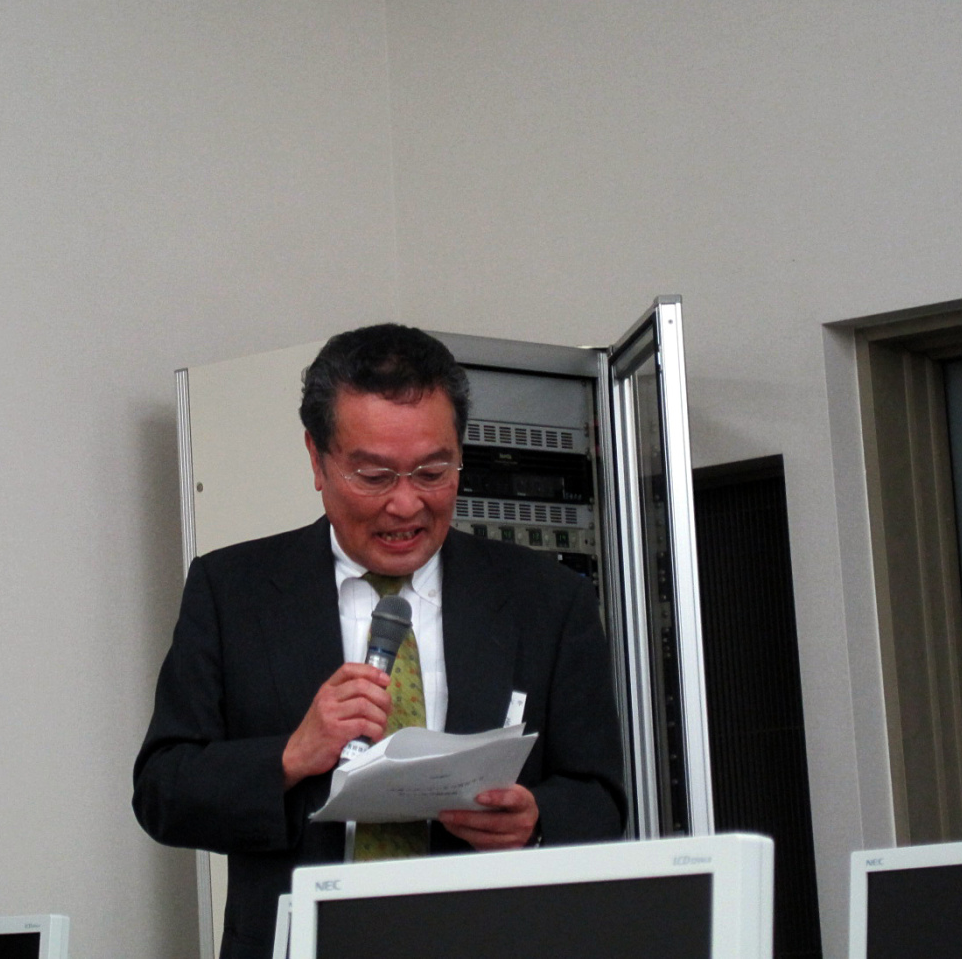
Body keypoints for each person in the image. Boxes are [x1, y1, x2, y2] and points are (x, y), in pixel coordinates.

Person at [133, 324, 626, 959]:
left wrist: (534, 822)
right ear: (317, 460)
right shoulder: (233, 592)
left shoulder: (547, 599)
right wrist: (291, 755)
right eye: (374, 475)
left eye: (433, 472)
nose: (405, 504)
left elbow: (601, 799)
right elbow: (163, 791)